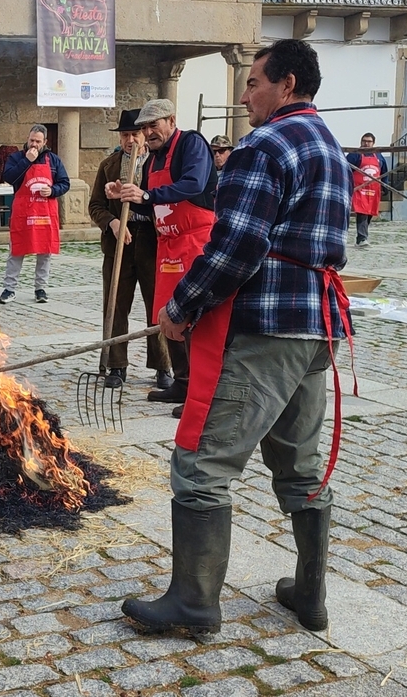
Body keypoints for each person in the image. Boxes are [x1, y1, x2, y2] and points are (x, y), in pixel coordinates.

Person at [121, 39, 351, 636]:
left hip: (267, 329)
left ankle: (195, 604)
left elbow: (236, 246)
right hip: (314, 328)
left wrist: (181, 306)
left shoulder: (265, 144)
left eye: (253, 83)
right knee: (301, 467)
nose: (244, 95)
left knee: (201, 466)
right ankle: (310, 594)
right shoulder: (326, 141)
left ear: (289, 84)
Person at [113, 99, 216, 414]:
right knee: (169, 318)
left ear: (171, 119)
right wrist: (127, 194)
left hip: (195, 242)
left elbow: (192, 184)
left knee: (196, 320)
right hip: (168, 245)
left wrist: (145, 194)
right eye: (144, 127)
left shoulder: (191, 144)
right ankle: (182, 383)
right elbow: (153, 202)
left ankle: (201, 395)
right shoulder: (155, 159)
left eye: (152, 125)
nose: (147, 132)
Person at [89, 109, 172, 390]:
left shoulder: (158, 166)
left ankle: (162, 365)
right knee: (116, 302)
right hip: (118, 243)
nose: (130, 140)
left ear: (143, 135)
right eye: (125, 135)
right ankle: (116, 365)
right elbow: (95, 205)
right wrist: (112, 222)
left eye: (134, 134)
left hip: (151, 240)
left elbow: (166, 201)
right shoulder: (108, 165)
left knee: (156, 303)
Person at [0, 125, 69, 304]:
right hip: (23, 213)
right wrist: (27, 161)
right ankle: (9, 289)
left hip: (44, 213)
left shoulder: (53, 160)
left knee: (45, 251)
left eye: (38, 141)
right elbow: (9, 177)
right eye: (32, 140)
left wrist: (53, 190)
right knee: (17, 250)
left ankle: (41, 289)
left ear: (45, 142)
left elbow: (65, 183)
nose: (34, 144)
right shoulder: (16, 158)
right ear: (27, 139)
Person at [346, 133, 387, 247]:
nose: (366, 143)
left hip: (374, 189)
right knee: (362, 212)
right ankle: (362, 238)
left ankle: (362, 235)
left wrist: (385, 186)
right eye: (364, 141)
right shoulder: (355, 155)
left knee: (370, 213)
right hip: (359, 189)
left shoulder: (379, 156)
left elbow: (384, 171)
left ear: (373, 143)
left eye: (369, 141)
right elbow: (345, 169)